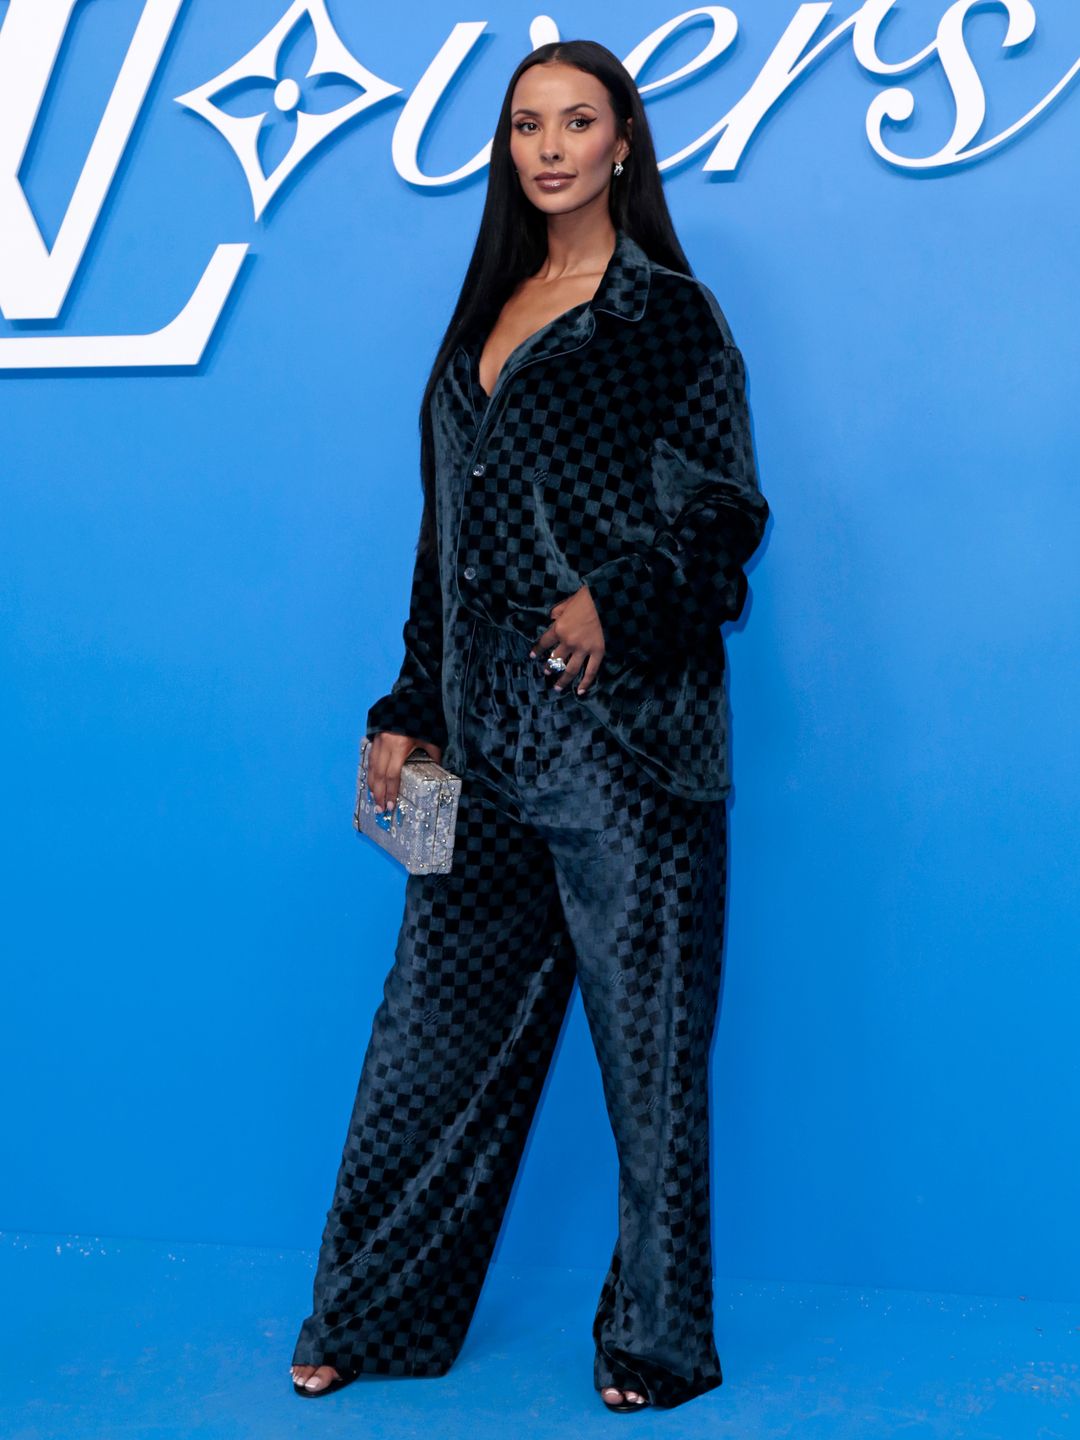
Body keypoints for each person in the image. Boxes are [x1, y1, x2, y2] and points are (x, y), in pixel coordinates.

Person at [290, 38, 770, 1415]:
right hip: (484, 752)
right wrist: (410, 709)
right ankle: (375, 1317)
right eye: (523, 127)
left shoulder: (666, 318)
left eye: (576, 121)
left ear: (625, 140)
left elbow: (726, 517)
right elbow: (444, 544)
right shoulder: (481, 318)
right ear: (507, 154)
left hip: (627, 750)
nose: (549, 146)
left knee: (651, 1060)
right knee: (428, 1037)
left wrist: (619, 599)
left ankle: (658, 1347)